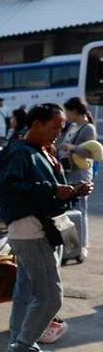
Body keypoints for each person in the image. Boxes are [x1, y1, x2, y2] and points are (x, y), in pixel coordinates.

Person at [0, 103, 94, 352]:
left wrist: (73, 190)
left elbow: (51, 193)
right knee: (51, 296)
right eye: (54, 128)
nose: (58, 134)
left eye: (61, 129)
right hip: (30, 231)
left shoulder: (42, 152)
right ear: (36, 124)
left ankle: (21, 342)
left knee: (27, 292)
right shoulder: (20, 152)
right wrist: (53, 188)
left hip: (43, 229)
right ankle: (22, 350)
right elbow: (8, 191)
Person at [59, 97, 97, 259]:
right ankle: (71, 245)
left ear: (75, 112)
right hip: (68, 172)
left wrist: (72, 148)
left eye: (67, 112)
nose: (66, 115)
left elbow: (92, 152)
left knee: (80, 210)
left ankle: (81, 246)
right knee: (69, 211)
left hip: (80, 174)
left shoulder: (88, 128)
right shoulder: (73, 127)